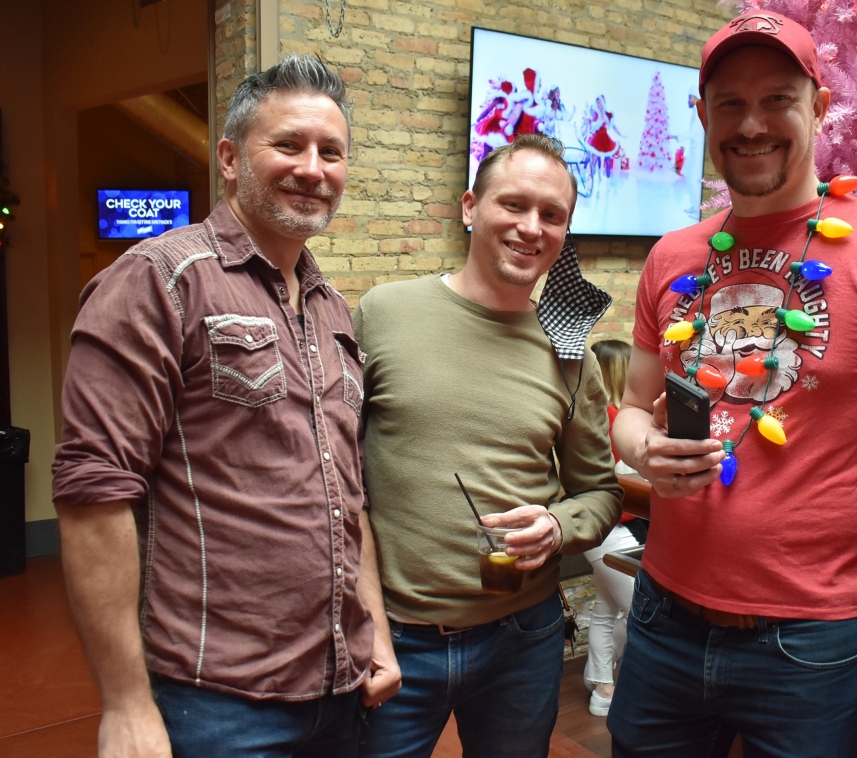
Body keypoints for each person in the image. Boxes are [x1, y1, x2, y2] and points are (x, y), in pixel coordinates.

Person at [607, 12, 857, 758]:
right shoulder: (672, 257)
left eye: (777, 99)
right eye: (730, 103)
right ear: (703, 116)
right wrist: (645, 449)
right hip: (663, 620)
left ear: (819, 107)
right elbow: (628, 412)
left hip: (812, 646)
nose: (752, 125)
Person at [51, 56, 377, 758]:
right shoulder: (157, 280)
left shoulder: (331, 307)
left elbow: (346, 492)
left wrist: (372, 632)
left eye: (331, 152)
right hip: (218, 704)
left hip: (341, 688)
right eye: (288, 145)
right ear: (229, 158)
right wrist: (125, 702)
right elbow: (92, 491)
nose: (313, 168)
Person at [353, 132, 623, 758]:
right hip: (394, 638)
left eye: (552, 214)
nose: (531, 227)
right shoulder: (383, 313)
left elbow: (601, 492)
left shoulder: (568, 351)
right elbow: (334, 471)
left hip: (522, 641)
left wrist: (558, 526)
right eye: (514, 205)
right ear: (470, 207)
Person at [583, 339, 648, 718]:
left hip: (599, 527)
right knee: (643, 611)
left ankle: (601, 687)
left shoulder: (601, 414)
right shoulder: (609, 418)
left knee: (606, 610)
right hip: (609, 527)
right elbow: (622, 476)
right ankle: (609, 686)